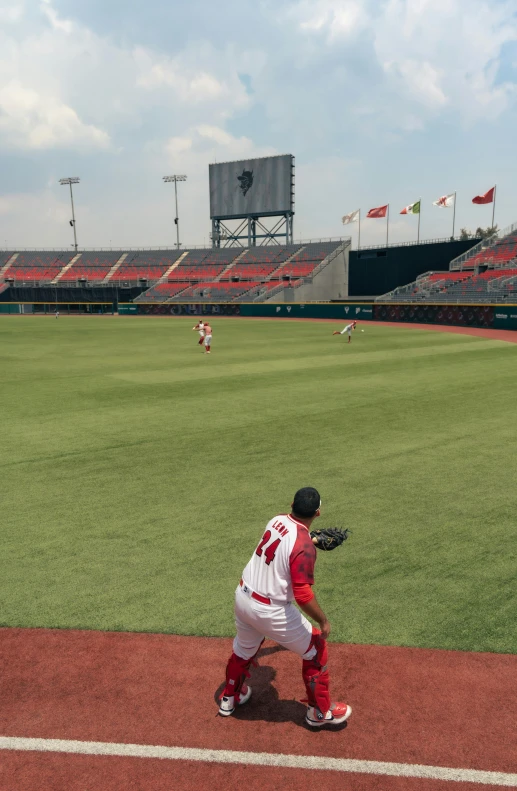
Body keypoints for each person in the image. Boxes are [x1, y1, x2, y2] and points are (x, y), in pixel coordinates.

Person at [218, 487, 352, 728]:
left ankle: (229, 697)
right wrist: (323, 621)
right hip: (271, 612)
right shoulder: (304, 548)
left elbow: (285, 542)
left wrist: (308, 539)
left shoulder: (276, 519)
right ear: (318, 513)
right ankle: (319, 713)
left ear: (291, 504)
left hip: (243, 598)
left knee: (244, 649)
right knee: (315, 649)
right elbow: (302, 595)